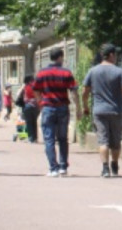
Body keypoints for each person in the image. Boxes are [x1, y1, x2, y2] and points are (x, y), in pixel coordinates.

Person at [82, 43, 122, 178]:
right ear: (111, 55)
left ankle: (105, 169)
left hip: (99, 111)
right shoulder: (119, 72)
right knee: (116, 141)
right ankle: (114, 165)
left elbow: (85, 91)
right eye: (115, 54)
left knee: (103, 140)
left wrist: (85, 106)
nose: (116, 57)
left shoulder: (93, 71)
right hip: (115, 111)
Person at [33, 49, 81, 177]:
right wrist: (78, 108)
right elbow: (74, 91)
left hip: (48, 107)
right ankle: (63, 166)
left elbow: (36, 90)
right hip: (62, 107)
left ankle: (53, 168)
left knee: (49, 139)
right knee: (63, 138)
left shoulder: (42, 73)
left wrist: (40, 104)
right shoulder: (66, 72)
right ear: (60, 57)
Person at [19, 75, 39, 143]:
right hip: (36, 106)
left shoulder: (26, 87)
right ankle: (35, 138)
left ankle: (31, 138)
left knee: (29, 122)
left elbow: (18, 94)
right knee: (34, 122)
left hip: (28, 105)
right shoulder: (36, 86)